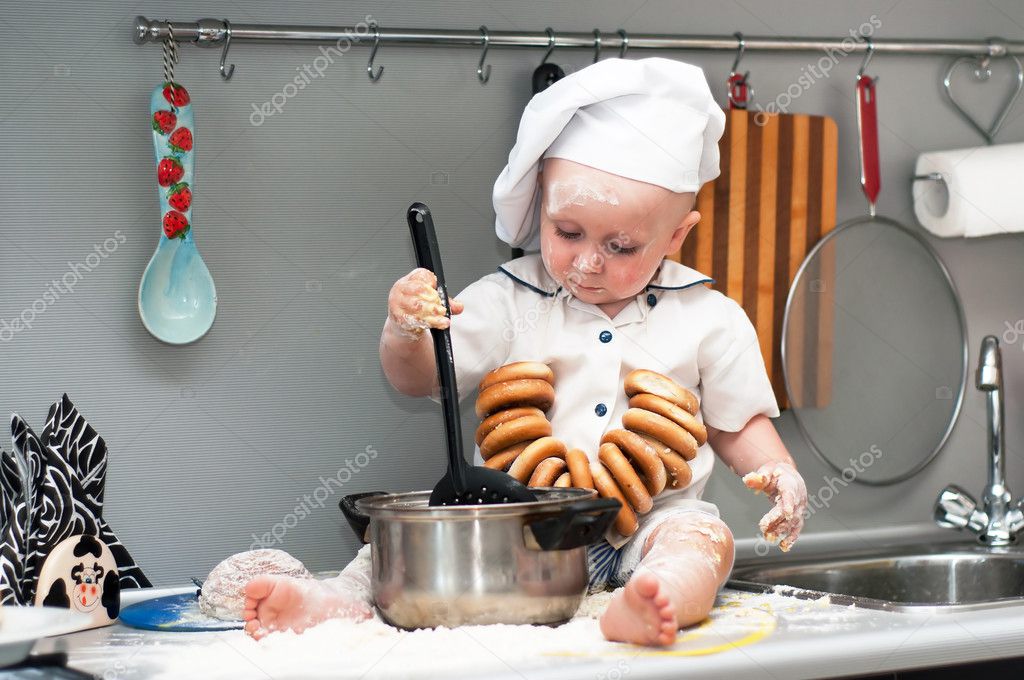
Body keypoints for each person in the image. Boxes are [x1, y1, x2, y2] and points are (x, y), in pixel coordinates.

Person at [244, 57, 808, 647]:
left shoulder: (709, 318)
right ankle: (339, 600)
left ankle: (658, 596)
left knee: (699, 542)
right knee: (411, 543)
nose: (589, 262)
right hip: (515, 525)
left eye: (621, 246)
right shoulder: (506, 302)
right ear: (541, 204)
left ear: (676, 236)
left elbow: (738, 422)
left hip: (651, 520)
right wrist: (406, 330)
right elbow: (420, 381)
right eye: (568, 233)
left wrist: (781, 474)